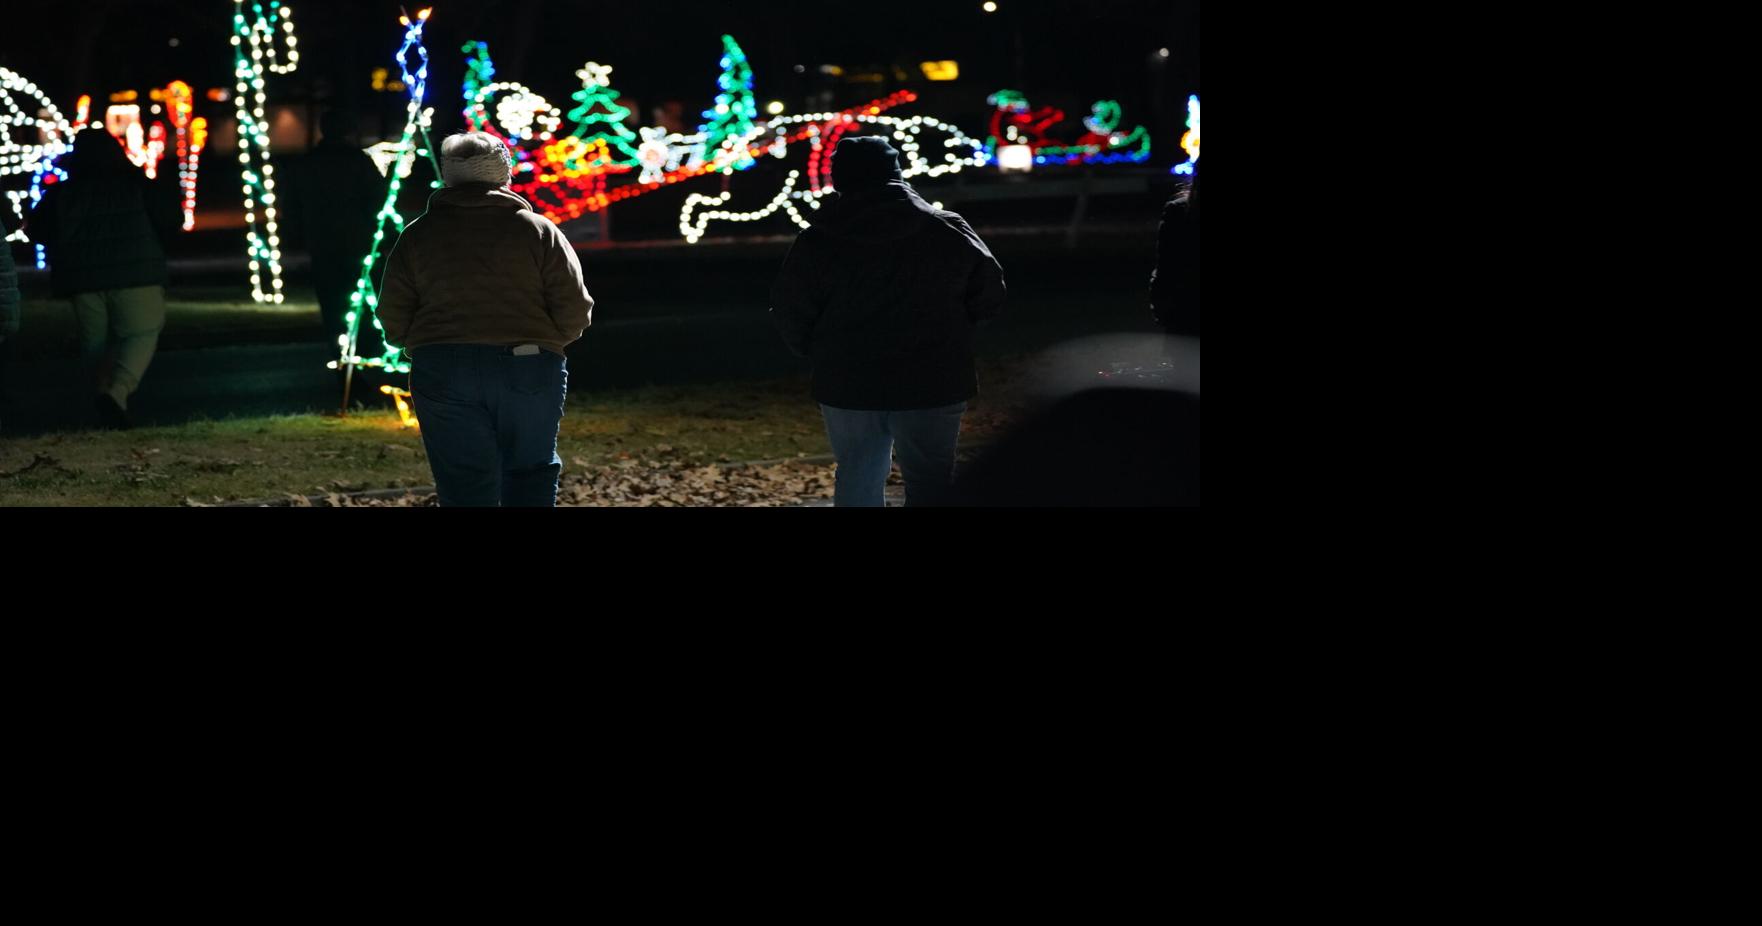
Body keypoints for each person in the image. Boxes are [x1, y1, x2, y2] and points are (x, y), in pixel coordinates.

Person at [770, 136, 1006, 507]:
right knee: (932, 479)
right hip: (934, 374)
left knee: (857, 475)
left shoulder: (819, 241)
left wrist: (819, 351)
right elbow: (988, 292)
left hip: (848, 377)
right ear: (896, 174)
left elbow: (791, 307)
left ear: (840, 180)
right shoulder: (946, 230)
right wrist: (955, 335)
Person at [377, 132, 594, 507]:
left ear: (448, 176)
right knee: (530, 473)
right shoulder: (538, 230)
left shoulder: (418, 235)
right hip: (528, 363)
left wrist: (419, 342)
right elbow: (574, 306)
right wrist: (547, 341)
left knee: (463, 483)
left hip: (441, 365)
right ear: (503, 173)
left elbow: (393, 311)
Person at [27, 127, 181, 430]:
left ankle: (101, 398)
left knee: (96, 344)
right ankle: (116, 393)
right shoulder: (138, 185)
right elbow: (171, 219)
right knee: (140, 333)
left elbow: (38, 229)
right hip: (137, 274)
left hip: (82, 280)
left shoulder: (64, 193)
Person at [284, 109, 388, 360]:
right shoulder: (357, 161)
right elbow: (378, 199)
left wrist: (297, 234)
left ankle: (339, 348)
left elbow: (292, 203)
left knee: (331, 299)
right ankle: (362, 348)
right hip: (357, 240)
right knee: (363, 296)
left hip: (321, 241)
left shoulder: (307, 163)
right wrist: (383, 233)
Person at [1149, 159, 1199, 338]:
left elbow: (1166, 265)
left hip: (1184, 310)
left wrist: (1161, 308)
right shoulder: (1178, 210)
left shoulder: (1178, 210)